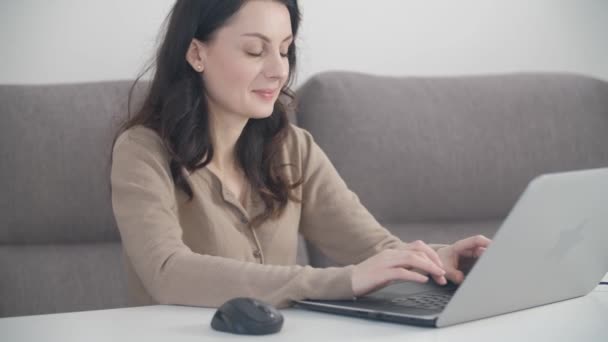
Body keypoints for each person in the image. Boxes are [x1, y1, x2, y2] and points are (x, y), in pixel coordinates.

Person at [111, 0, 491, 309]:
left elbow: (372, 246)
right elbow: (167, 271)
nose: (279, 70)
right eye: (255, 50)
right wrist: (340, 281)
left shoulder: (292, 147)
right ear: (196, 53)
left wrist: (439, 259)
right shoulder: (142, 151)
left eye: (284, 49)